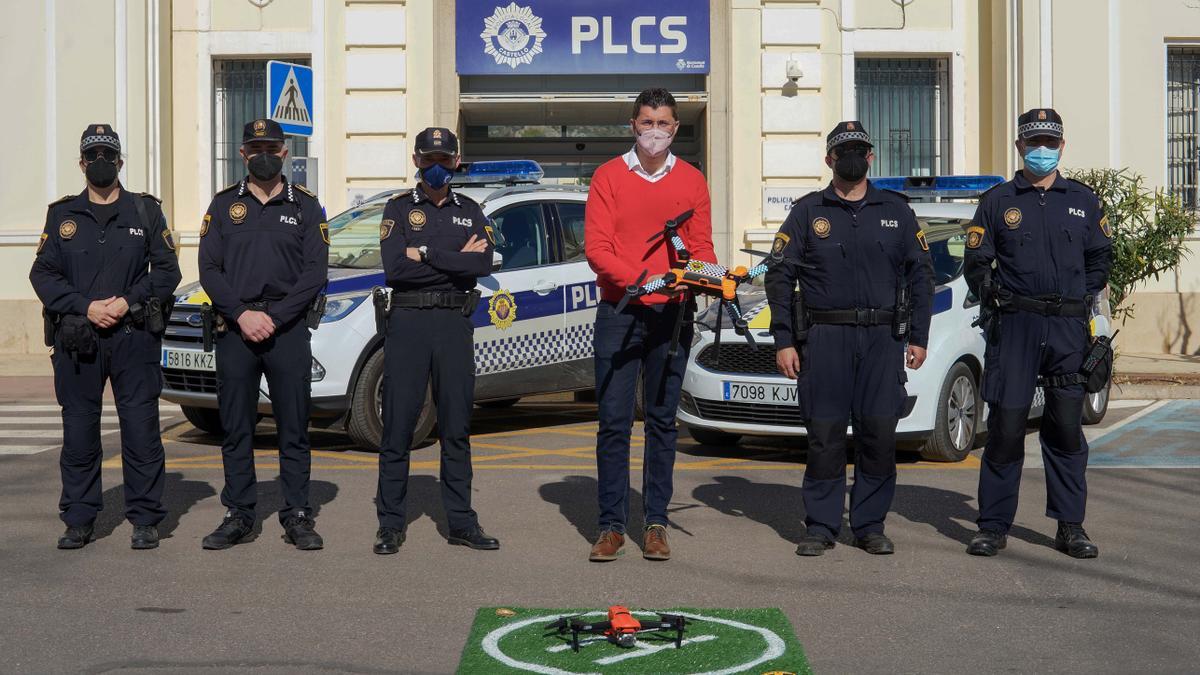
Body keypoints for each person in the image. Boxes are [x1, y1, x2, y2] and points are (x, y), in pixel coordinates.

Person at [766, 121, 934, 557]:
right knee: (825, 434)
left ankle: (869, 525)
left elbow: (921, 275)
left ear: (871, 157)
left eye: (860, 150)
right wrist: (784, 339)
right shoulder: (807, 211)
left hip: (882, 339)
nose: (852, 158)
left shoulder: (897, 211)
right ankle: (820, 526)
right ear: (829, 160)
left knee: (878, 433)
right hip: (825, 338)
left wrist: (919, 336)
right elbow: (780, 276)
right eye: (843, 152)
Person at [963, 108, 1112, 559]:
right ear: (1019, 147)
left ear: (1062, 147)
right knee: (1006, 427)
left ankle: (1071, 527)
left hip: (1068, 329)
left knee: (1066, 430)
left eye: (1050, 143)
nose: (1041, 151)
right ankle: (992, 525)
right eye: (1034, 144)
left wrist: (1083, 304)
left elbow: (1100, 259)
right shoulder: (997, 201)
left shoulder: (1084, 201)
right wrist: (994, 296)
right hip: (1016, 328)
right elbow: (975, 263)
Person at [30, 124, 181, 550]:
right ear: (81, 163)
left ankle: (146, 518)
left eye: (108, 156)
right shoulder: (62, 216)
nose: (100, 163)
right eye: (92, 155)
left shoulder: (145, 211)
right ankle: (79, 519)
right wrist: (85, 306)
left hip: (133, 337)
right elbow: (42, 273)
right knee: (79, 432)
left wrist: (127, 302)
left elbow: (168, 272)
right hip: (78, 338)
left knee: (141, 430)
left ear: (120, 162)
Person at [584, 88, 715, 562]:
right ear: (633, 126)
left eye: (663, 123)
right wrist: (643, 280)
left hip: (672, 315)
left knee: (661, 422)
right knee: (614, 423)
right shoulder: (608, 177)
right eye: (646, 122)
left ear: (676, 128)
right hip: (619, 312)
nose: (654, 131)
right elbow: (598, 249)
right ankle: (610, 526)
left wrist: (714, 278)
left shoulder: (692, 181)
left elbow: (702, 248)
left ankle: (656, 523)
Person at [197, 119, 329, 551]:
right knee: (237, 428)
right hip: (236, 330)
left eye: (272, 147)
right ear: (243, 154)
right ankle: (239, 513)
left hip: (286, 330)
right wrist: (241, 314)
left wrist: (276, 316)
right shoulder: (221, 206)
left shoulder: (307, 207)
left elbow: (315, 272)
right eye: (255, 148)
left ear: (285, 151)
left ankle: (297, 514)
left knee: (293, 427)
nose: (264, 155)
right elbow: (209, 270)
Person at [373, 127, 499, 555]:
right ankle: (390, 524)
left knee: (456, 426)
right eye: (429, 159)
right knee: (398, 426)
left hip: (453, 322)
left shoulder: (471, 209)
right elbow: (395, 269)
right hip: (408, 321)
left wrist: (424, 254)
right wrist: (453, 261)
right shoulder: (398, 208)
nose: (437, 167)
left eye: (444, 160)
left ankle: (461, 521)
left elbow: (480, 264)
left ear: (457, 161)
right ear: (416, 161)